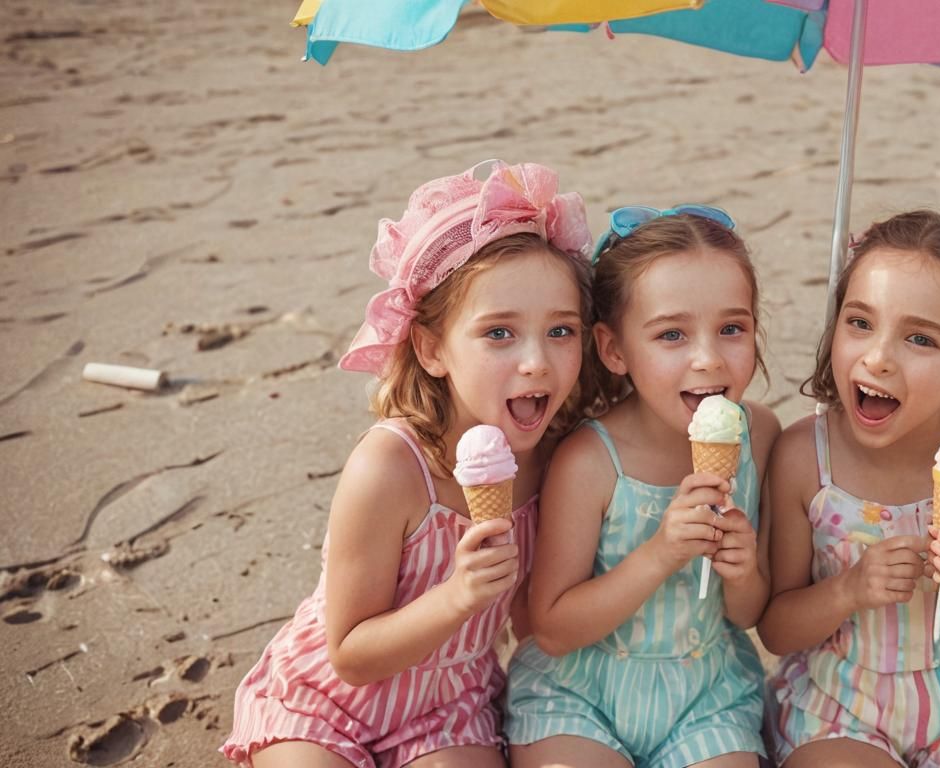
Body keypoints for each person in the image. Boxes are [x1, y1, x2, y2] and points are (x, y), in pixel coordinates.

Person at [221, 160, 593, 768]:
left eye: (561, 330)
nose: (537, 362)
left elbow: (532, 616)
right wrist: (458, 596)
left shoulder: (558, 457)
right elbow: (349, 652)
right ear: (431, 348)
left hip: (448, 706)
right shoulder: (390, 468)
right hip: (323, 702)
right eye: (499, 333)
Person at [758, 210, 940, 768]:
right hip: (840, 697)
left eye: (919, 338)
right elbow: (776, 628)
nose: (878, 357)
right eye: (859, 322)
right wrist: (849, 590)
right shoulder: (804, 458)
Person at [506, 206, 781, 768]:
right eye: (671, 334)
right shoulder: (591, 460)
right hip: (579, 694)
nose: (708, 358)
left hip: (705, 695)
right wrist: (661, 553)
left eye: (732, 328)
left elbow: (749, 613)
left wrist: (745, 570)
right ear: (614, 350)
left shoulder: (761, 436)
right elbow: (553, 628)